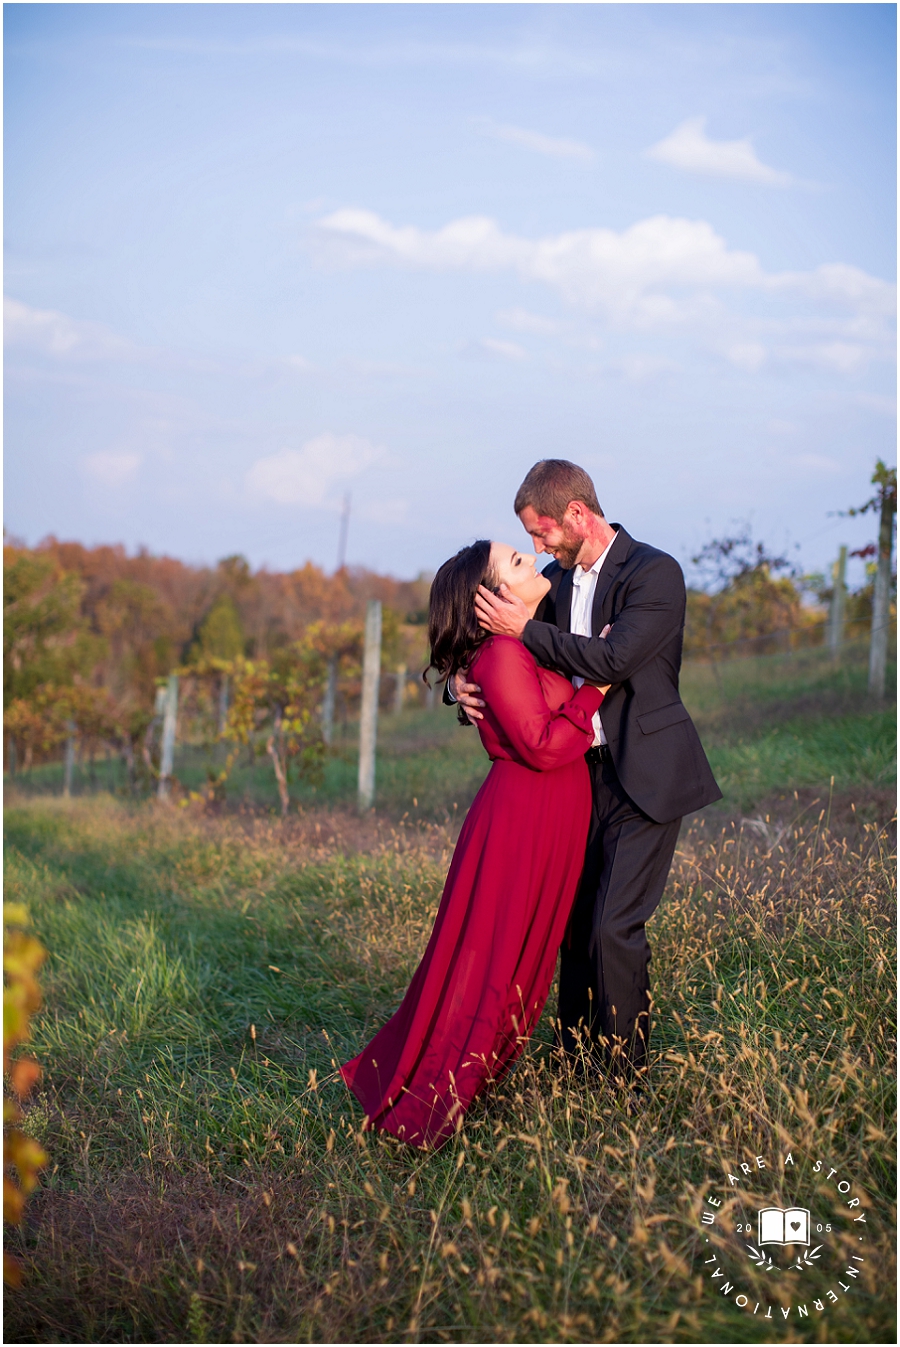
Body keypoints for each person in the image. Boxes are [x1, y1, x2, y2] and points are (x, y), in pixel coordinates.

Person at [454, 459, 722, 1092]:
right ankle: (575, 1064)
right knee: (572, 928)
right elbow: (498, 652)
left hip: (645, 774)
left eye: (542, 532)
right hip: (573, 779)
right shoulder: (549, 583)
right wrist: (460, 688)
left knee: (612, 925)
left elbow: (613, 659)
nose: (537, 546)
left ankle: (624, 1077)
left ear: (577, 514)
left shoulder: (654, 572)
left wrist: (523, 630)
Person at [340, 538, 609, 1149]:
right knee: (489, 957)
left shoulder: (532, 627)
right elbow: (541, 744)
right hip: (524, 817)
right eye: (516, 561)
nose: (533, 560)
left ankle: (463, 1070)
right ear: (492, 600)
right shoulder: (501, 655)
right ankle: (428, 1094)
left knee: (518, 955)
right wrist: (596, 686)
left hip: (550, 814)